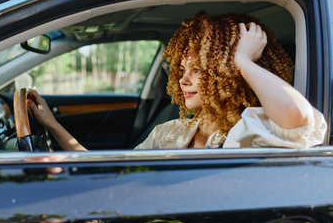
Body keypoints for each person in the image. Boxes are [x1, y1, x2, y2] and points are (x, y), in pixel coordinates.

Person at [26, 11, 327, 150]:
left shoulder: (253, 130)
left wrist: (243, 60)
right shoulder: (168, 132)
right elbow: (112, 174)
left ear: (228, 72)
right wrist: (52, 124)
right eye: (182, 68)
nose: (183, 79)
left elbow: (297, 118)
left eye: (198, 69)